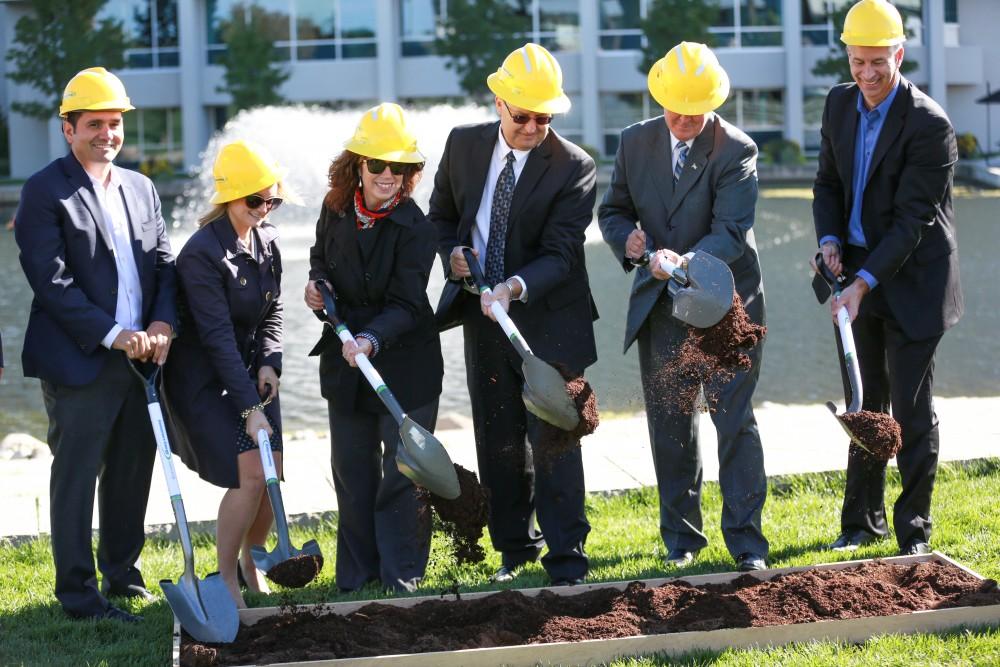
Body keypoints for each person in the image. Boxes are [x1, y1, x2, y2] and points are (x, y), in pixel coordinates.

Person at [430, 43, 598, 586]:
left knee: (553, 437)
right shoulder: (462, 145)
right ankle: (514, 551)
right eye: (522, 115)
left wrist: (513, 287)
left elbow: (561, 252)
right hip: (482, 315)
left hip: (548, 314)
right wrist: (453, 257)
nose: (532, 127)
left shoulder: (574, 166)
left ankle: (567, 556)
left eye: (544, 118)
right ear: (498, 102)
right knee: (497, 436)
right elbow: (440, 217)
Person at [598, 42, 769, 573]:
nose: (683, 119)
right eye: (675, 109)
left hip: (725, 307)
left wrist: (681, 261)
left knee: (733, 421)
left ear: (713, 102)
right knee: (669, 423)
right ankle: (682, 541)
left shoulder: (736, 149)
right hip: (660, 309)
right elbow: (613, 211)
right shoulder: (633, 142)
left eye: (694, 111)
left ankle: (746, 544)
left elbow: (731, 233)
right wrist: (627, 242)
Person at [14, 67, 177, 622]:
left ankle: (123, 576)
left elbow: (164, 266)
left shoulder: (141, 187)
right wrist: (113, 335)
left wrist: (161, 325)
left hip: (143, 360)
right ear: (68, 128)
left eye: (114, 123)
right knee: (77, 477)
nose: (107, 134)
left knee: (133, 469)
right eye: (94, 124)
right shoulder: (44, 190)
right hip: (81, 359)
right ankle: (80, 596)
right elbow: (50, 279)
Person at [811, 0, 962, 555]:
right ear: (847, 57)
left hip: (914, 281)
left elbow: (911, 223)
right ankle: (860, 524)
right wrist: (829, 241)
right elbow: (827, 184)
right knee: (863, 403)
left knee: (911, 410)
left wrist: (863, 283)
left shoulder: (929, 124)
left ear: (899, 54)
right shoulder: (838, 105)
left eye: (879, 61)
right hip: (853, 274)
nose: (868, 73)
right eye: (858, 62)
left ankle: (913, 533)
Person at [302, 103, 441, 593]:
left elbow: (407, 303)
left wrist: (370, 339)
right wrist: (316, 289)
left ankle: (401, 574)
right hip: (346, 365)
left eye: (398, 168)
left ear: (409, 173)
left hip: (404, 362)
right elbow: (320, 260)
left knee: (402, 473)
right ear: (356, 165)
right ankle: (356, 577)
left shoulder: (418, 228)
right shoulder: (334, 208)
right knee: (352, 473)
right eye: (377, 165)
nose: (387, 175)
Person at [163, 140, 289, 608]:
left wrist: (270, 364)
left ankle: (251, 562)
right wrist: (250, 408)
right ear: (228, 198)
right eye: (254, 200)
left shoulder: (269, 238)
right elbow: (215, 338)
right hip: (205, 379)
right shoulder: (200, 254)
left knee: (273, 470)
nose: (264, 208)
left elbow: (273, 314)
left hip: (251, 371)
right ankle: (226, 579)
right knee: (250, 476)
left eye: (271, 199)